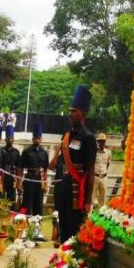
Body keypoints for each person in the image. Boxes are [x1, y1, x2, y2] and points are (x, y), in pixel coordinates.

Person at [49, 86, 97, 243]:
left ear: (83, 114)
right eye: (70, 111)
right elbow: (59, 161)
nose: (70, 114)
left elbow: (90, 170)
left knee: (74, 230)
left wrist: (88, 200)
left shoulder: (88, 138)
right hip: (63, 188)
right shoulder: (67, 135)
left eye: (74, 111)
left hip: (77, 191)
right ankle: (61, 262)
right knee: (62, 226)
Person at [18, 121, 49, 217]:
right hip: (29, 178)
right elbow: (20, 168)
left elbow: (45, 169)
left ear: (41, 139)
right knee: (27, 202)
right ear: (32, 139)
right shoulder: (26, 151)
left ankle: (37, 223)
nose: (37, 140)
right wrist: (19, 182)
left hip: (39, 180)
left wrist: (45, 183)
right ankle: (23, 222)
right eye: (36, 138)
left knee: (38, 202)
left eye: (39, 138)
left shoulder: (44, 152)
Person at [1, 125, 21, 209]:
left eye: (11, 138)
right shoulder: (1, 150)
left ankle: (12, 216)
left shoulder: (16, 152)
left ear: (13, 140)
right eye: (8, 138)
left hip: (12, 177)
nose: (9, 140)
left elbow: (19, 167)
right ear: (5, 139)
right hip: (2, 177)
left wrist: (19, 182)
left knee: (12, 197)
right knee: (1, 197)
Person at [93, 133, 112, 208]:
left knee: (102, 198)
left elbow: (108, 164)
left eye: (103, 141)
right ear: (98, 142)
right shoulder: (94, 152)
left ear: (105, 142)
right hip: (95, 177)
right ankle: (89, 215)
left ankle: (101, 214)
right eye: (100, 141)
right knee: (92, 197)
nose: (101, 143)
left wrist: (104, 173)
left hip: (104, 177)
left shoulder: (108, 152)